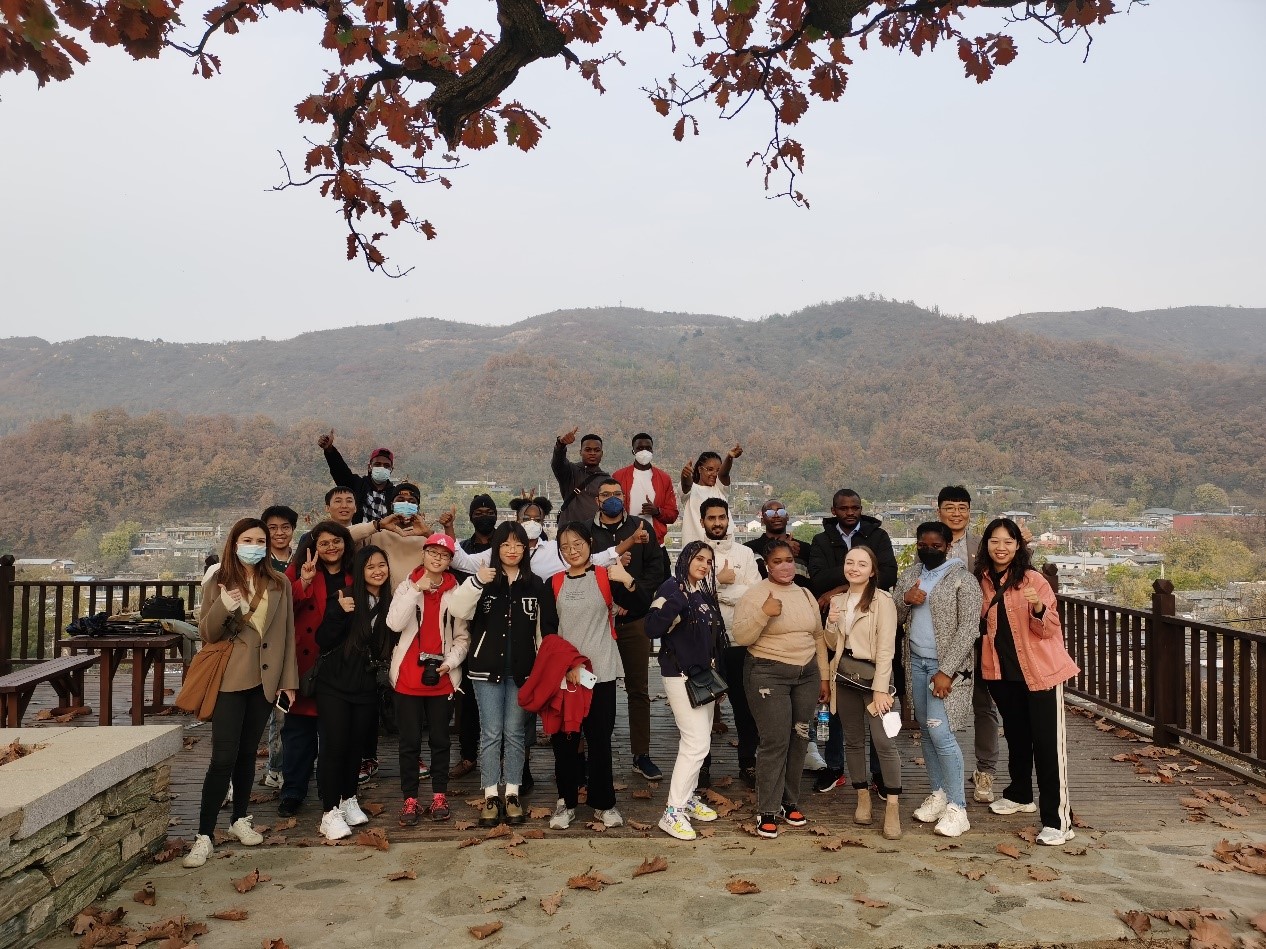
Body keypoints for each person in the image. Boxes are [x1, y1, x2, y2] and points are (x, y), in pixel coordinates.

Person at [184, 518, 297, 868]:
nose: (255, 546)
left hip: (264, 681)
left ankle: (239, 820)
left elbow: (287, 634)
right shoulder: (218, 580)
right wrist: (224, 604)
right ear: (234, 543)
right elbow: (207, 633)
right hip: (229, 679)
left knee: (248, 754)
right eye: (248, 540)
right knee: (223, 757)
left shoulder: (279, 582)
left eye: (260, 541)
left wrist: (288, 681)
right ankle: (204, 835)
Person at [975, 518, 1079, 846]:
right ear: (986, 544)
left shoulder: (1033, 580)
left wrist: (1037, 607)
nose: (1001, 547)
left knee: (1048, 747)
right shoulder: (981, 580)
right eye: (995, 541)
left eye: (1008, 541)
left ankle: (1058, 820)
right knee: (1018, 738)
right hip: (1002, 674)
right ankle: (1020, 795)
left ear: (1018, 546)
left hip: (1040, 674)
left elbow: (1049, 629)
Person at [449, 522, 559, 827]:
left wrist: (543, 669)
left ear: (526, 549)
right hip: (485, 669)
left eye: (518, 545)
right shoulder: (484, 580)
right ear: (496, 547)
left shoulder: (536, 584)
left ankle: (511, 793)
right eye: (506, 544)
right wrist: (476, 581)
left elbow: (544, 631)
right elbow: (457, 610)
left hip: (523, 671)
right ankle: (490, 795)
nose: (512, 550)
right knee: (491, 733)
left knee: (514, 733)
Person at [547, 521, 643, 830]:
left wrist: (627, 580)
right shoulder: (553, 583)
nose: (572, 551)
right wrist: (567, 665)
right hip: (566, 676)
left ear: (590, 543)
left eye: (578, 544)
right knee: (564, 741)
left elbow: (640, 606)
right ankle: (566, 802)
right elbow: (548, 632)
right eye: (565, 547)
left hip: (600, 672)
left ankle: (604, 803)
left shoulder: (605, 576)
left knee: (599, 740)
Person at [731, 540, 830, 840]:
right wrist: (764, 613)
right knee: (775, 740)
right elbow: (741, 637)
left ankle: (789, 801)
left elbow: (818, 637)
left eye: (788, 560)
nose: (785, 566)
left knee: (800, 738)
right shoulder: (755, 595)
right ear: (767, 566)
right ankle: (767, 809)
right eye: (777, 562)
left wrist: (824, 677)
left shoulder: (805, 594)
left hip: (807, 673)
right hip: (767, 672)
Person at [893, 522, 983, 839]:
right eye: (923, 544)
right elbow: (895, 617)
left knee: (941, 733)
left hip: (947, 668)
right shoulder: (910, 575)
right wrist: (905, 600)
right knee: (927, 734)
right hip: (916, 662)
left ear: (947, 546)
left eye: (935, 545)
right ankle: (939, 793)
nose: (928, 549)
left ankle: (958, 807)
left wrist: (946, 671)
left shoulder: (964, 580)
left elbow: (969, 629)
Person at [807, 489, 898, 793]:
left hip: (871, 644)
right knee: (837, 716)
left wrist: (839, 587)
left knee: (877, 723)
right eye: (843, 508)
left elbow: (888, 574)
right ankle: (835, 768)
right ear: (834, 510)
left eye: (855, 507)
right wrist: (846, 588)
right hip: (841, 653)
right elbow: (817, 579)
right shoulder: (822, 540)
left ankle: (880, 776)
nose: (850, 512)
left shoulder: (878, 536)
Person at [386, 534, 471, 825]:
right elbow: (394, 624)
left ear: (450, 561)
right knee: (409, 742)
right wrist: (415, 590)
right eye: (433, 552)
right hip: (407, 677)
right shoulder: (406, 585)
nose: (438, 558)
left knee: (440, 741)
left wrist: (450, 663)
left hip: (442, 677)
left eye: (444, 555)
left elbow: (462, 637)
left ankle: (439, 796)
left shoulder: (455, 591)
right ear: (423, 554)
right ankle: (410, 799)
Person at [312, 545, 394, 840]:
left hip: (367, 686)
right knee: (334, 746)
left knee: (356, 747)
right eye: (370, 566)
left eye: (381, 565)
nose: (377, 571)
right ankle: (329, 811)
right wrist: (338, 614)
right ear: (360, 571)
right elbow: (323, 639)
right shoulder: (344, 596)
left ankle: (348, 798)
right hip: (335, 684)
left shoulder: (391, 601)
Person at [645, 541, 725, 840]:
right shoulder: (671, 588)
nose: (704, 565)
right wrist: (676, 602)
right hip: (679, 675)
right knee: (696, 743)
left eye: (708, 561)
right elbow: (652, 628)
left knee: (698, 743)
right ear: (685, 558)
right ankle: (673, 811)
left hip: (702, 677)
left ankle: (687, 798)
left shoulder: (701, 592)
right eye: (698, 558)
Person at [276, 520, 356, 819]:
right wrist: (305, 582)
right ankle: (293, 791)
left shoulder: (354, 573)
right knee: (298, 733)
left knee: (336, 734)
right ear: (314, 547)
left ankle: (331, 791)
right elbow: (283, 607)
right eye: (324, 543)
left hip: (342, 663)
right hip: (306, 660)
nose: (331, 547)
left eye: (337, 541)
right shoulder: (299, 571)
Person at [590, 478, 667, 782]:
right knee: (594, 687)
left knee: (638, 690)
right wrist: (609, 603)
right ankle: (593, 751)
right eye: (605, 494)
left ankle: (641, 754)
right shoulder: (587, 531)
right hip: (597, 621)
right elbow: (582, 568)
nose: (612, 498)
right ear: (597, 500)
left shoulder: (641, 528)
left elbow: (656, 572)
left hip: (634, 620)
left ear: (624, 497)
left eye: (617, 494)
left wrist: (633, 600)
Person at [824, 545, 902, 839]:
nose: (854, 568)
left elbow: (886, 649)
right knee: (853, 741)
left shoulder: (883, 601)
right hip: (845, 676)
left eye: (861, 564)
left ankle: (892, 806)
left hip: (874, 679)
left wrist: (881, 689)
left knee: (884, 742)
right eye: (850, 562)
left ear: (872, 571)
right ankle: (862, 798)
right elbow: (832, 644)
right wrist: (831, 623)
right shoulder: (838, 600)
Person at [937, 484, 1000, 806]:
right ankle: (945, 774)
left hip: (979, 636)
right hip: (940, 641)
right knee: (940, 707)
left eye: (962, 508)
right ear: (939, 511)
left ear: (970, 512)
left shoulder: (981, 545)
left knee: (984, 705)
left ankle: (985, 771)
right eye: (950, 507)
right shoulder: (931, 543)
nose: (956, 514)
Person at [697, 496, 761, 788]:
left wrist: (716, 592)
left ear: (728, 519)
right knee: (703, 709)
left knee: (744, 708)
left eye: (721, 517)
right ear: (702, 522)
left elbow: (753, 594)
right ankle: (702, 767)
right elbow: (688, 595)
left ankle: (748, 763)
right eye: (711, 518)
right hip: (704, 645)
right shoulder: (694, 553)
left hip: (739, 641)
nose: (717, 523)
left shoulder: (745, 554)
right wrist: (720, 582)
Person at [450, 494, 499, 779]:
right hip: (468, 627)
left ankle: (503, 756)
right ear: (470, 518)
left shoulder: (505, 545)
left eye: (488, 511)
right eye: (478, 512)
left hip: (499, 627)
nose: (484, 515)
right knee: (467, 698)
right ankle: (468, 755)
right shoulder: (463, 549)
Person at [256, 504, 299, 790]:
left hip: (298, 641)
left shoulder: (303, 559)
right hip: (266, 645)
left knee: (290, 711)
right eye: (273, 528)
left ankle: (291, 765)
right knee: (274, 713)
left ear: (293, 530)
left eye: (285, 527)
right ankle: (275, 768)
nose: (280, 533)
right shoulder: (259, 564)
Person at [611, 432, 679, 546]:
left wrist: (657, 511)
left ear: (652, 451)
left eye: (648, 448)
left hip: (655, 543)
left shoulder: (664, 478)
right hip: (626, 543)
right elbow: (610, 509)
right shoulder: (618, 476)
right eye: (640, 448)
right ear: (633, 451)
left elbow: (672, 515)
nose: (644, 452)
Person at [317, 430, 395, 524]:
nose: (382, 468)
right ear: (369, 467)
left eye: (386, 466)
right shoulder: (357, 485)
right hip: (358, 532)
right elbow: (340, 471)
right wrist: (330, 450)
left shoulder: (395, 494)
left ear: (391, 469)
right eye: (377, 464)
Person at [679, 445, 740, 549]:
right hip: (696, 549)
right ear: (699, 469)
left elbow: (724, 474)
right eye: (710, 469)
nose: (714, 474)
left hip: (723, 548)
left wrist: (729, 457)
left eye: (717, 470)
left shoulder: (720, 488)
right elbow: (686, 484)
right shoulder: (691, 490)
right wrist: (685, 475)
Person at [747, 498, 812, 587]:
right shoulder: (750, 549)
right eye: (770, 513)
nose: (776, 515)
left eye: (781, 512)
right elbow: (760, 575)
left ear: (787, 517)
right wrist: (782, 547)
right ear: (762, 520)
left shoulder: (804, 548)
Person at [551, 427, 609, 524]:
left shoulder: (607, 479)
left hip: (597, 530)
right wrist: (561, 445)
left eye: (596, 450)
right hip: (571, 530)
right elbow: (558, 463)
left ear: (601, 453)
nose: (592, 453)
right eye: (588, 450)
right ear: (580, 452)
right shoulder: (570, 472)